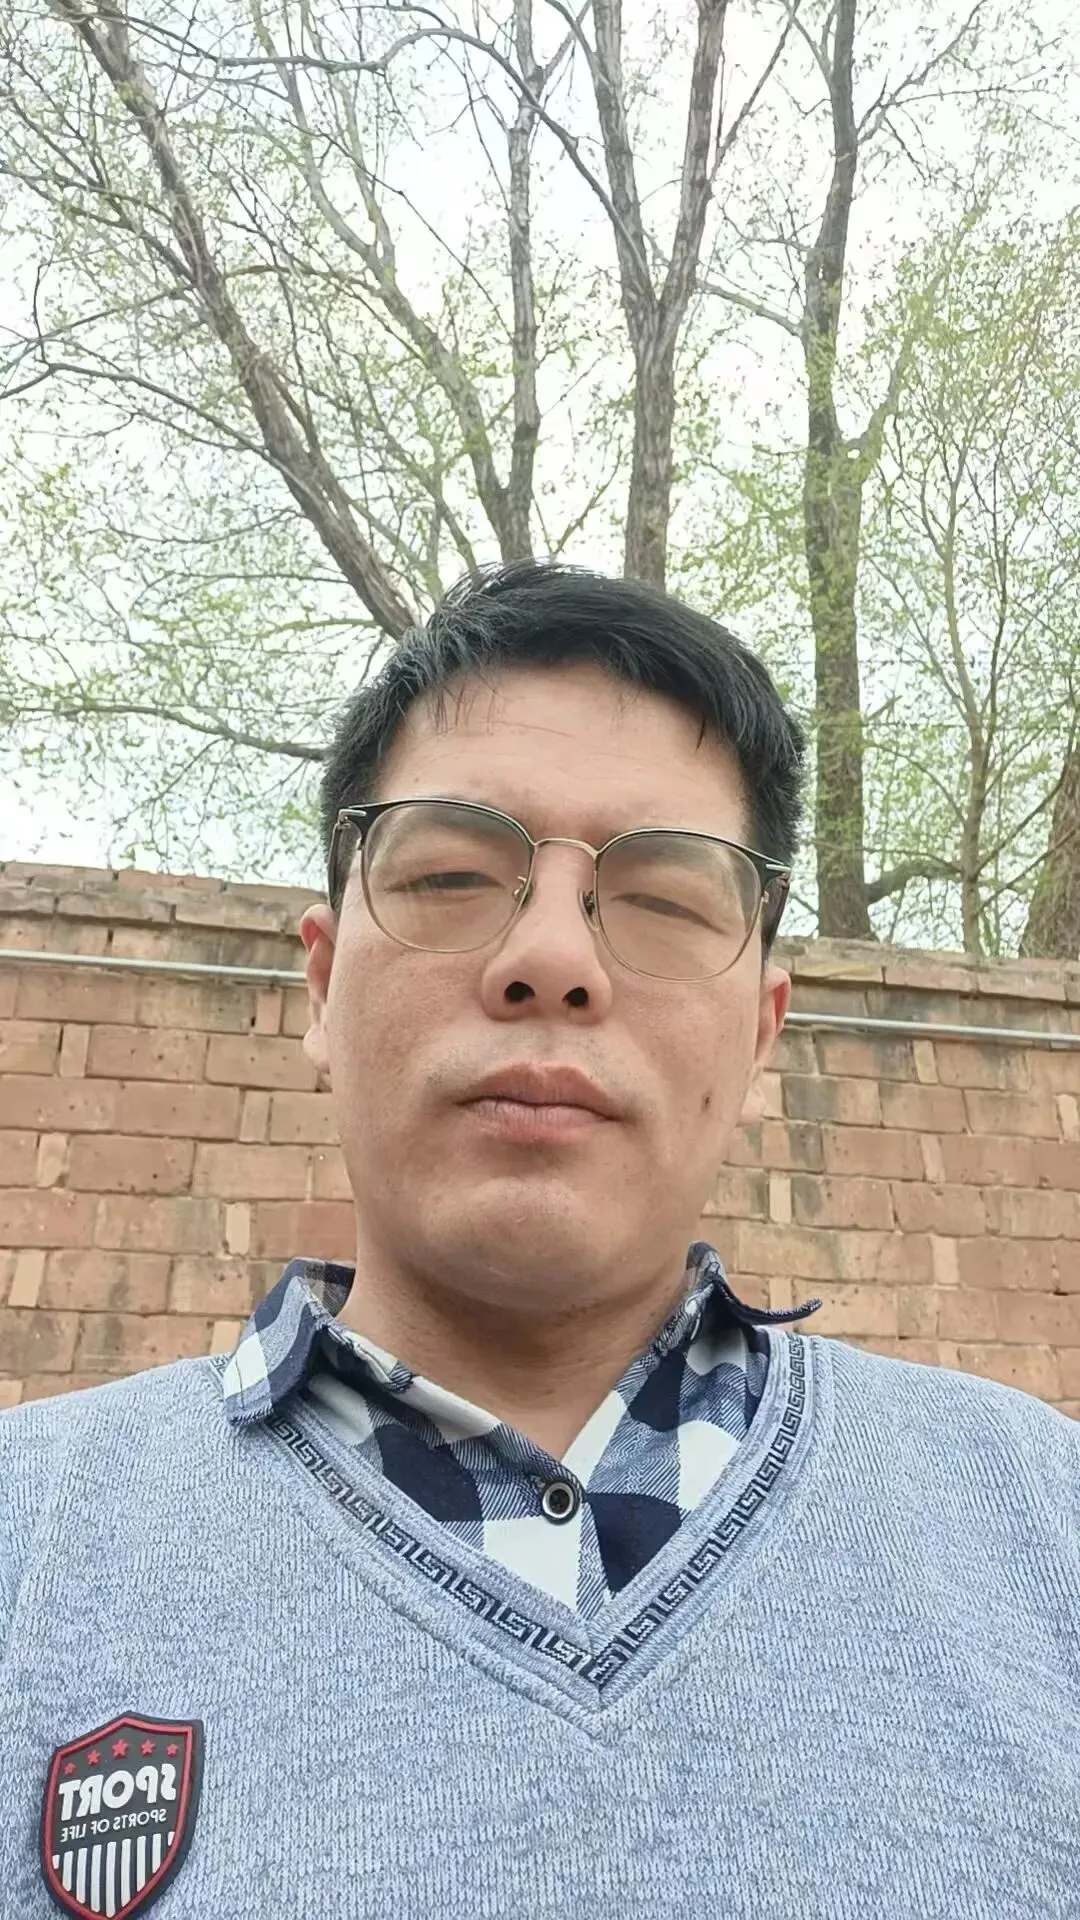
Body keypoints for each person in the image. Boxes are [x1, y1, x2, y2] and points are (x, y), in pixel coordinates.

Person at [2, 560, 1078, 1920]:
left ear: (762, 1035)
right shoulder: (30, 1536)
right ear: (321, 985)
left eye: (664, 899)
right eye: (454, 874)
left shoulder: (1045, 1522)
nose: (553, 960)